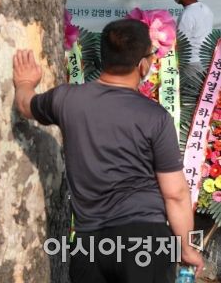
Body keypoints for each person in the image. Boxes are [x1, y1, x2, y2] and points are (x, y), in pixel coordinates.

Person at [13, 19, 203, 282]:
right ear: (143, 64)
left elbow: (25, 105)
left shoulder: (66, 100)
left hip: (89, 244)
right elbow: (176, 194)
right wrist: (186, 247)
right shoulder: (154, 117)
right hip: (144, 241)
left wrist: (24, 82)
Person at [174, 0, 214, 76]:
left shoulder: (187, 14)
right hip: (206, 61)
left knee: (189, 92)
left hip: (190, 63)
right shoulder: (206, 9)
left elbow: (180, 43)